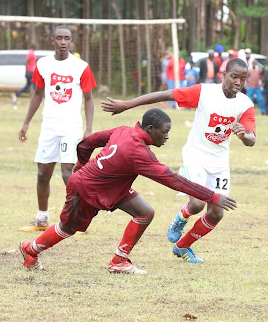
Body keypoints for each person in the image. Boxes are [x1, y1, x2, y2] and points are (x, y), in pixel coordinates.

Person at [20, 109, 237, 273]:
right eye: (165, 132)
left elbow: (88, 142)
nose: (167, 137)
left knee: (145, 212)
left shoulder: (124, 130)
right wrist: (213, 196)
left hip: (113, 186)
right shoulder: (140, 154)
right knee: (68, 228)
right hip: (86, 189)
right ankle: (31, 249)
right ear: (151, 130)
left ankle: (119, 261)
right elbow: (174, 181)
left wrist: (81, 162)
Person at [101, 58, 255, 263]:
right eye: (234, 76)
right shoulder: (204, 93)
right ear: (223, 75)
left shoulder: (244, 104)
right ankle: (182, 216)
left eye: (242, 79)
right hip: (196, 156)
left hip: (219, 162)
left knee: (217, 213)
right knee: (198, 203)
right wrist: (128, 104)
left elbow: (251, 139)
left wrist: (244, 135)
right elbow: (165, 94)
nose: (238, 82)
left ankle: (182, 246)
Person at [18, 25, 96, 232]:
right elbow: (37, 94)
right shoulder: (43, 64)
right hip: (49, 127)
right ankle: (42, 218)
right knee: (43, 173)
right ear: (52, 40)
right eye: (59, 38)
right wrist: (26, 123)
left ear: (71, 41)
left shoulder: (81, 67)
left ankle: (79, 218)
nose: (63, 42)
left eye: (67, 38)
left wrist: (88, 129)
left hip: (71, 127)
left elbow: (89, 99)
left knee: (67, 172)